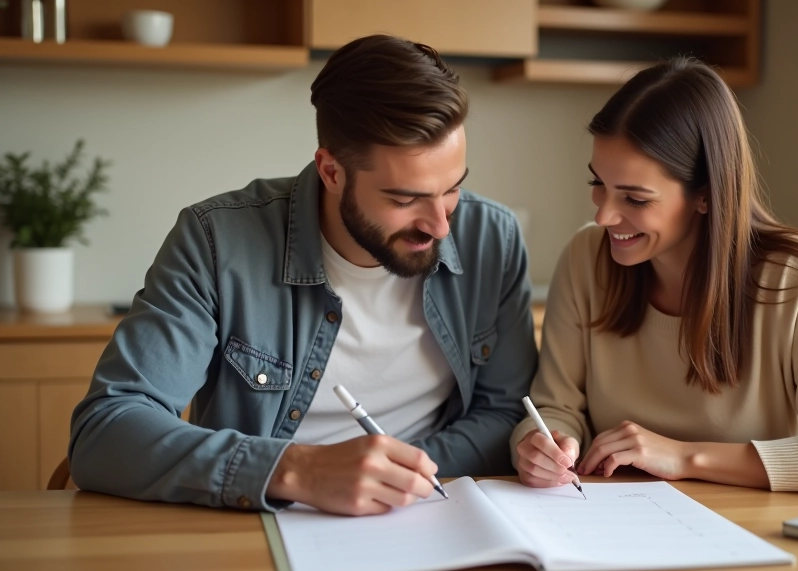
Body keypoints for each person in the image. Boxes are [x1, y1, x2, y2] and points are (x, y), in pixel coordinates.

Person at [69, 35, 537, 515]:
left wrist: (393, 475)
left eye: (452, 189)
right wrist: (300, 472)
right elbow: (105, 430)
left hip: (430, 513)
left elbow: (505, 412)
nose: (440, 226)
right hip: (257, 524)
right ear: (332, 172)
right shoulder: (216, 241)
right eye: (404, 199)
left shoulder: (492, 238)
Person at [511, 57, 798, 496]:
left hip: (752, 527)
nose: (604, 216)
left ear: (705, 195)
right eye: (598, 183)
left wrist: (683, 457)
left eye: (635, 199)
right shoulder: (585, 260)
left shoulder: (795, 282)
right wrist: (542, 444)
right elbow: (556, 408)